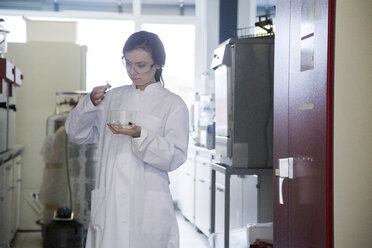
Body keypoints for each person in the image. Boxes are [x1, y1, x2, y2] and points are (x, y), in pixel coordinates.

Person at [65, 31, 189, 248]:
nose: (133, 71)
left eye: (141, 65)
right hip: (110, 203)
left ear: (158, 64)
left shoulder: (173, 104)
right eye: (128, 63)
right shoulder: (112, 97)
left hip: (147, 204)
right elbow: (76, 133)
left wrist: (140, 135)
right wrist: (88, 104)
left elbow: (175, 156)